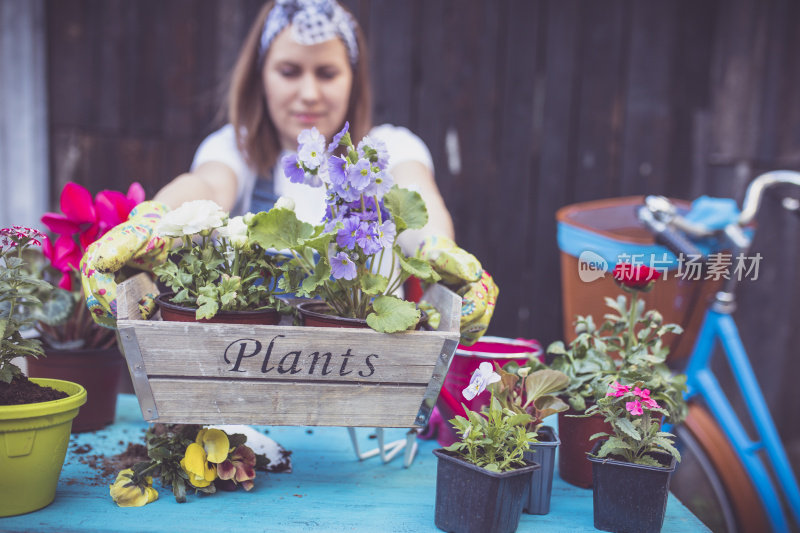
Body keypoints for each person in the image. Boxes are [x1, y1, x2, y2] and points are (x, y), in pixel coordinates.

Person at [80, 0, 495, 344]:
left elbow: (419, 200)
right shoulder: (235, 149)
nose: (309, 93)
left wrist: (437, 249)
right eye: (289, 71)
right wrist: (154, 220)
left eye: (327, 73)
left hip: (366, 380)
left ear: (355, 78)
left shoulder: (389, 149)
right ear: (261, 76)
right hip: (251, 377)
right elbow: (205, 185)